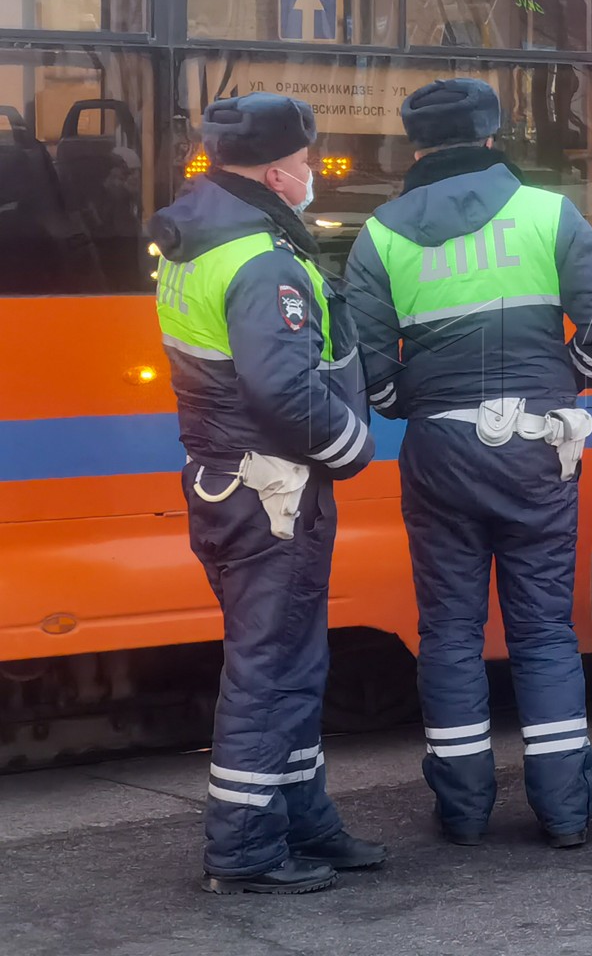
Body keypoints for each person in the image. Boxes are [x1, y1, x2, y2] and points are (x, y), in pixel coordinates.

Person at [343, 78, 592, 849]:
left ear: (414, 148)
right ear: (491, 137)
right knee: (542, 631)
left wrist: (409, 401)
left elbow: (368, 367)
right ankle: (565, 813)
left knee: (447, 631)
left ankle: (464, 812)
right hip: (538, 443)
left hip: (439, 449)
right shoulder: (546, 212)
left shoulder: (379, 233)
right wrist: (567, 373)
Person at [148, 93, 385, 895]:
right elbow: (284, 389)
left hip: (232, 484)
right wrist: (352, 446)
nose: (315, 174)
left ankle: (305, 821)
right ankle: (246, 850)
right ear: (281, 171)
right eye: (309, 162)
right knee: (272, 667)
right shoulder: (261, 260)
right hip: (274, 491)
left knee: (290, 661)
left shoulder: (196, 237)